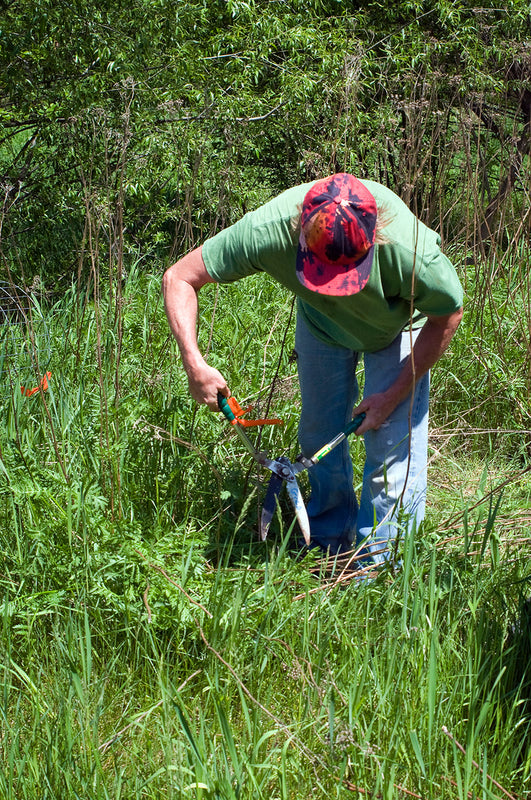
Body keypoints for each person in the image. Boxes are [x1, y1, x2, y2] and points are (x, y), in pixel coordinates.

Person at [162, 173, 463, 561]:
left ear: (376, 242)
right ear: (299, 236)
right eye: (322, 273)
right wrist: (194, 362)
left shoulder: (410, 251)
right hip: (322, 327)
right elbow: (179, 277)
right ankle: (329, 540)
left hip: (398, 327)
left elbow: (447, 315)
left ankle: (380, 570)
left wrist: (391, 396)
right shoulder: (268, 230)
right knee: (319, 436)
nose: (333, 286)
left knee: (391, 455)